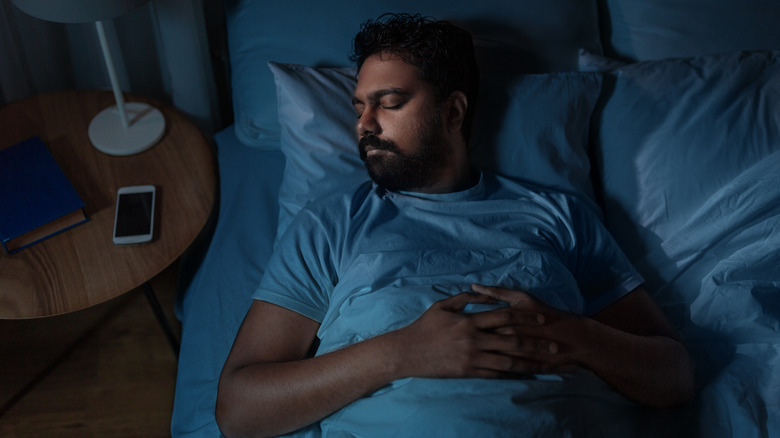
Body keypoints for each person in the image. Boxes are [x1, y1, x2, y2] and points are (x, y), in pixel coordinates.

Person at [216, 13, 695, 438]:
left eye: (389, 102)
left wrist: (573, 334)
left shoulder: (559, 216)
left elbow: (674, 375)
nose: (365, 125)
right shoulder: (330, 224)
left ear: (453, 112)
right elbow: (239, 410)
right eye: (359, 106)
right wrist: (402, 354)